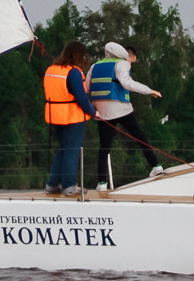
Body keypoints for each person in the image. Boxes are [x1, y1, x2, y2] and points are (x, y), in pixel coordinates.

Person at [86, 41, 162, 186]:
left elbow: (87, 88)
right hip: (121, 107)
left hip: (102, 112)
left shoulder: (94, 66)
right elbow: (127, 83)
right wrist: (149, 90)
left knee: (104, 147)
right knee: (139, 136)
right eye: (132, 62)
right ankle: (155, 166)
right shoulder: (122, 63)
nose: (130, 65)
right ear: (126, 57)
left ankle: (101, 183)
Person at [42, 42, 94, 193]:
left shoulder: (52, 69)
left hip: (55, 116)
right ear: (79, 55)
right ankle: (69, 186)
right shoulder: (74, 72)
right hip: (72, 118)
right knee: (72, 150)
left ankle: (52, 184)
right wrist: (93, 111)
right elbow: (81, 98)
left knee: (62, 149)